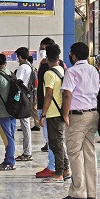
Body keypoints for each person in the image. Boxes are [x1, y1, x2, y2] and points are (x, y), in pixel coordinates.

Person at [60, 42, 100, 199]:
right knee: (89, 152)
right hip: (93, 115)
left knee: (74, 153)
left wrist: (65, 115)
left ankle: (78, 192)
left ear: (73, 55)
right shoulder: (96, 71)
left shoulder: (72, 72)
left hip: (77, 117)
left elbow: (67, 94)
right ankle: (91, 191)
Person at [38, 44, 70, 183]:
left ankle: (59, 173)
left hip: (53, 113)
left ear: (46, 58)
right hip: (61, 111)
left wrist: (43, 114)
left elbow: (48, 95)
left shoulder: (49, 73)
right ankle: (66, 169)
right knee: (58, 142)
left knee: (55, 143)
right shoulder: (63, 70)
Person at [34, 37, 60, 178]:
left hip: (47, 106)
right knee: (53, 139)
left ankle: (53, 166)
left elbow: (48, 93)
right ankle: (58, 166)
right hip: (52, 107)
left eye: (43, 49)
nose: (41, 51)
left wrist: (43, 113)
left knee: (51, 139)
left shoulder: (48, 68)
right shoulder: (59, 66)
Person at [0, 53, 16, 171]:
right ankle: (7, 160)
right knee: (11, 136)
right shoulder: (11, 74)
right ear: (5, 63)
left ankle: (10, 161)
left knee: (8, 137)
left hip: (2, 112)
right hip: (13, 111)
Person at [14, 47, 34, 162]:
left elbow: (18, 83)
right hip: (29, 97)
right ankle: (27, 152)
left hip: (23, 98)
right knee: (25, 125)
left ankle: (27, 152)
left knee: (25, 125)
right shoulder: (30, 66)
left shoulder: (22, 67)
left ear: (20, 57)